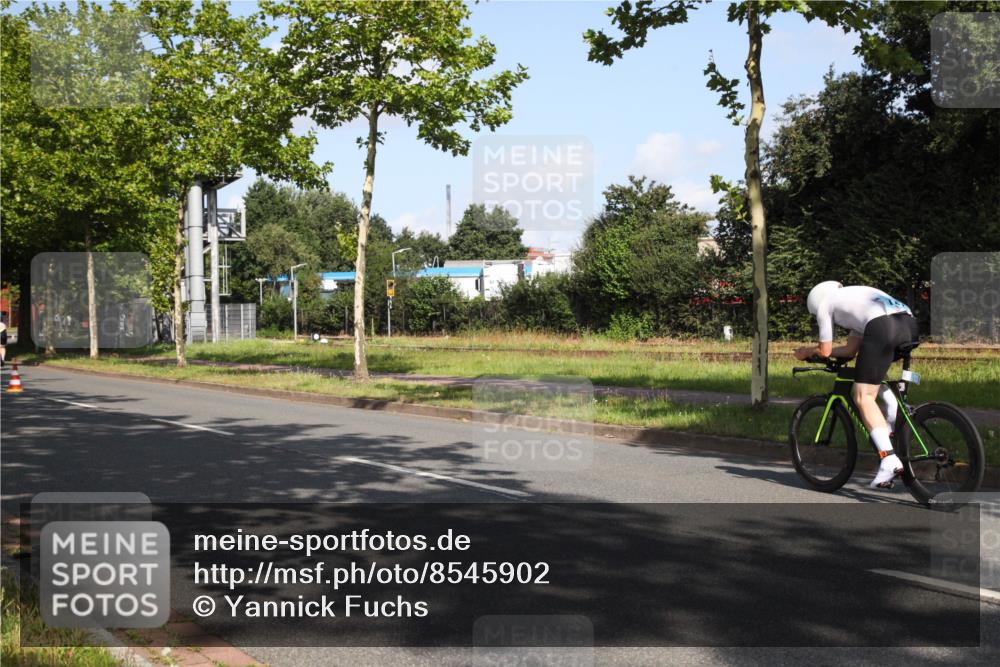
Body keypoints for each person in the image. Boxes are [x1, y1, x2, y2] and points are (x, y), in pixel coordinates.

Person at [794, 281, 919, 489]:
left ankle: (888, 459)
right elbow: (851, 350)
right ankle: (888, 426)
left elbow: (824, 351)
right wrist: (829, 352)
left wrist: (806, 352)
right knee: (874, 377)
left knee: (862, 396)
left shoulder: (825, 304)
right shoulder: (856, 299)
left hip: (882, 328)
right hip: (909, 324)